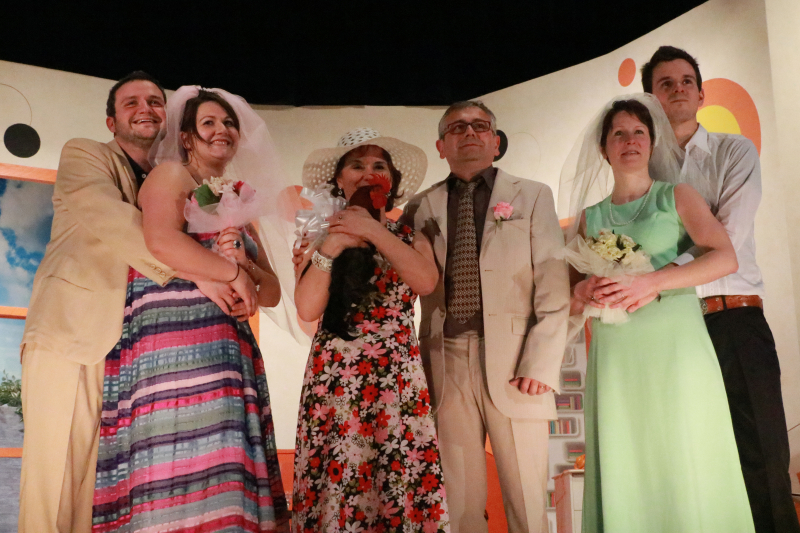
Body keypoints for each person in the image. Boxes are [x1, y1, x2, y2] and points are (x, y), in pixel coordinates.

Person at [91, 87, 292, 532]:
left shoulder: (239, 201)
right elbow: (161, 241)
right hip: (172, 347)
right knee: (172, 459)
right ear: (186, 138)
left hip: (227, 353)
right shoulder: (170, 176)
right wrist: (228, 270)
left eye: (229, 123)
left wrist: (244, 265)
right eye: (208, 123)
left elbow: (273, 292)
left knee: (227, 464)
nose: (222, 130)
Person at [564, 95, 755, 532]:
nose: (629, 140)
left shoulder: (677, 196)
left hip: (674, 344)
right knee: (628, 452)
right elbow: (570, 298)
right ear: (603, 148)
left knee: (683, 450)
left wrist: (653, 281)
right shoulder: (589, 218)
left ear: (652, 143)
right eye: (619, 133)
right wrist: (583, 290)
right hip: (616, 353)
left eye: (639, 132)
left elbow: (725, 257)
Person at [640, 45, 799, 533]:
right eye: (666, 83)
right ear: (649, 98)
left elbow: (725, 239)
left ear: (702, 93)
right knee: (693, 462)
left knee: (763, 457)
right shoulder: (643, 170)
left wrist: (656, 279)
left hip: (735, 317)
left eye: (686, 81)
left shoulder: (735, 151)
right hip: (673, 325)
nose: (678, 89)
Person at [18, 72, 182, 533]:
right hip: (72, 336)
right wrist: (203, 270)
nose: (145, 108)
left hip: (140, 353)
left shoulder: (171, 180)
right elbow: (112, 218)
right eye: (131, 102)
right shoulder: (84, 154)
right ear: (111, 121)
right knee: (56, 484)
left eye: (155, 101)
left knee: (104, 497)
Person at [403, 101, 570, 533]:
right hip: (445, 360)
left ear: (496, 142)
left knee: (527, 503)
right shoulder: (420, 206)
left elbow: (553, 282)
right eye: (457, 128)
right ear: (441, 146)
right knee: (459, 504)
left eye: (480, 126)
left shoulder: (532, 194)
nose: (469, 133)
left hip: (517, 362)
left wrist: (541, 362)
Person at [292, 128, 450, 532]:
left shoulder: (411, 236)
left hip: (395, 379)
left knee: (397, 479)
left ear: (391, 181)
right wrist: (332, 245)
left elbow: (425, 282)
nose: (368, 172)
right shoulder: (317, 236)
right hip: (336, 380)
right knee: (339, 481)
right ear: (340, 179)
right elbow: (307, 308)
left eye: (379, 165)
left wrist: (373, 230)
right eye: (356, 165)